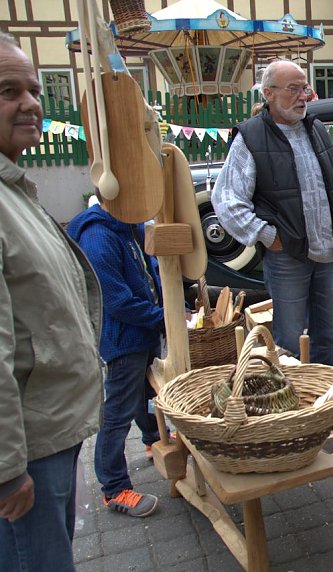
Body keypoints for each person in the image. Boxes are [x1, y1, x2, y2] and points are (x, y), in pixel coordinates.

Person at [0, 31, 104, 570]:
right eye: (7, 90)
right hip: (23, 455)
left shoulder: (13, 186)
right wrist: (5, 466)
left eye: (34, 89)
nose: (30, 103)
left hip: (47, 435)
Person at [212, 60, 333, 365]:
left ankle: (326, 404)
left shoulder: (316, 129)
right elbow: (226, 200)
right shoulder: (251, 137)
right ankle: (293, 408)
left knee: (324, 337)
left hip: (324, 255)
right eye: (293, 89)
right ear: (268, 93)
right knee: (290, 342)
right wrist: (267, 236)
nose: (303, 96)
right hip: (286, 258)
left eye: (305, 88)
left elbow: (332, 194)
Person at [66, 199, 162, 518]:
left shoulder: (129, 225)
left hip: (143, 331)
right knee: (118, 410)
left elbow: (149, 275)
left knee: (146, 391)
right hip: (122, 340)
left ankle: (153, 440)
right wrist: (163, 317)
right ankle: (114, 489)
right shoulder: (99, 237)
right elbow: (117, 302)